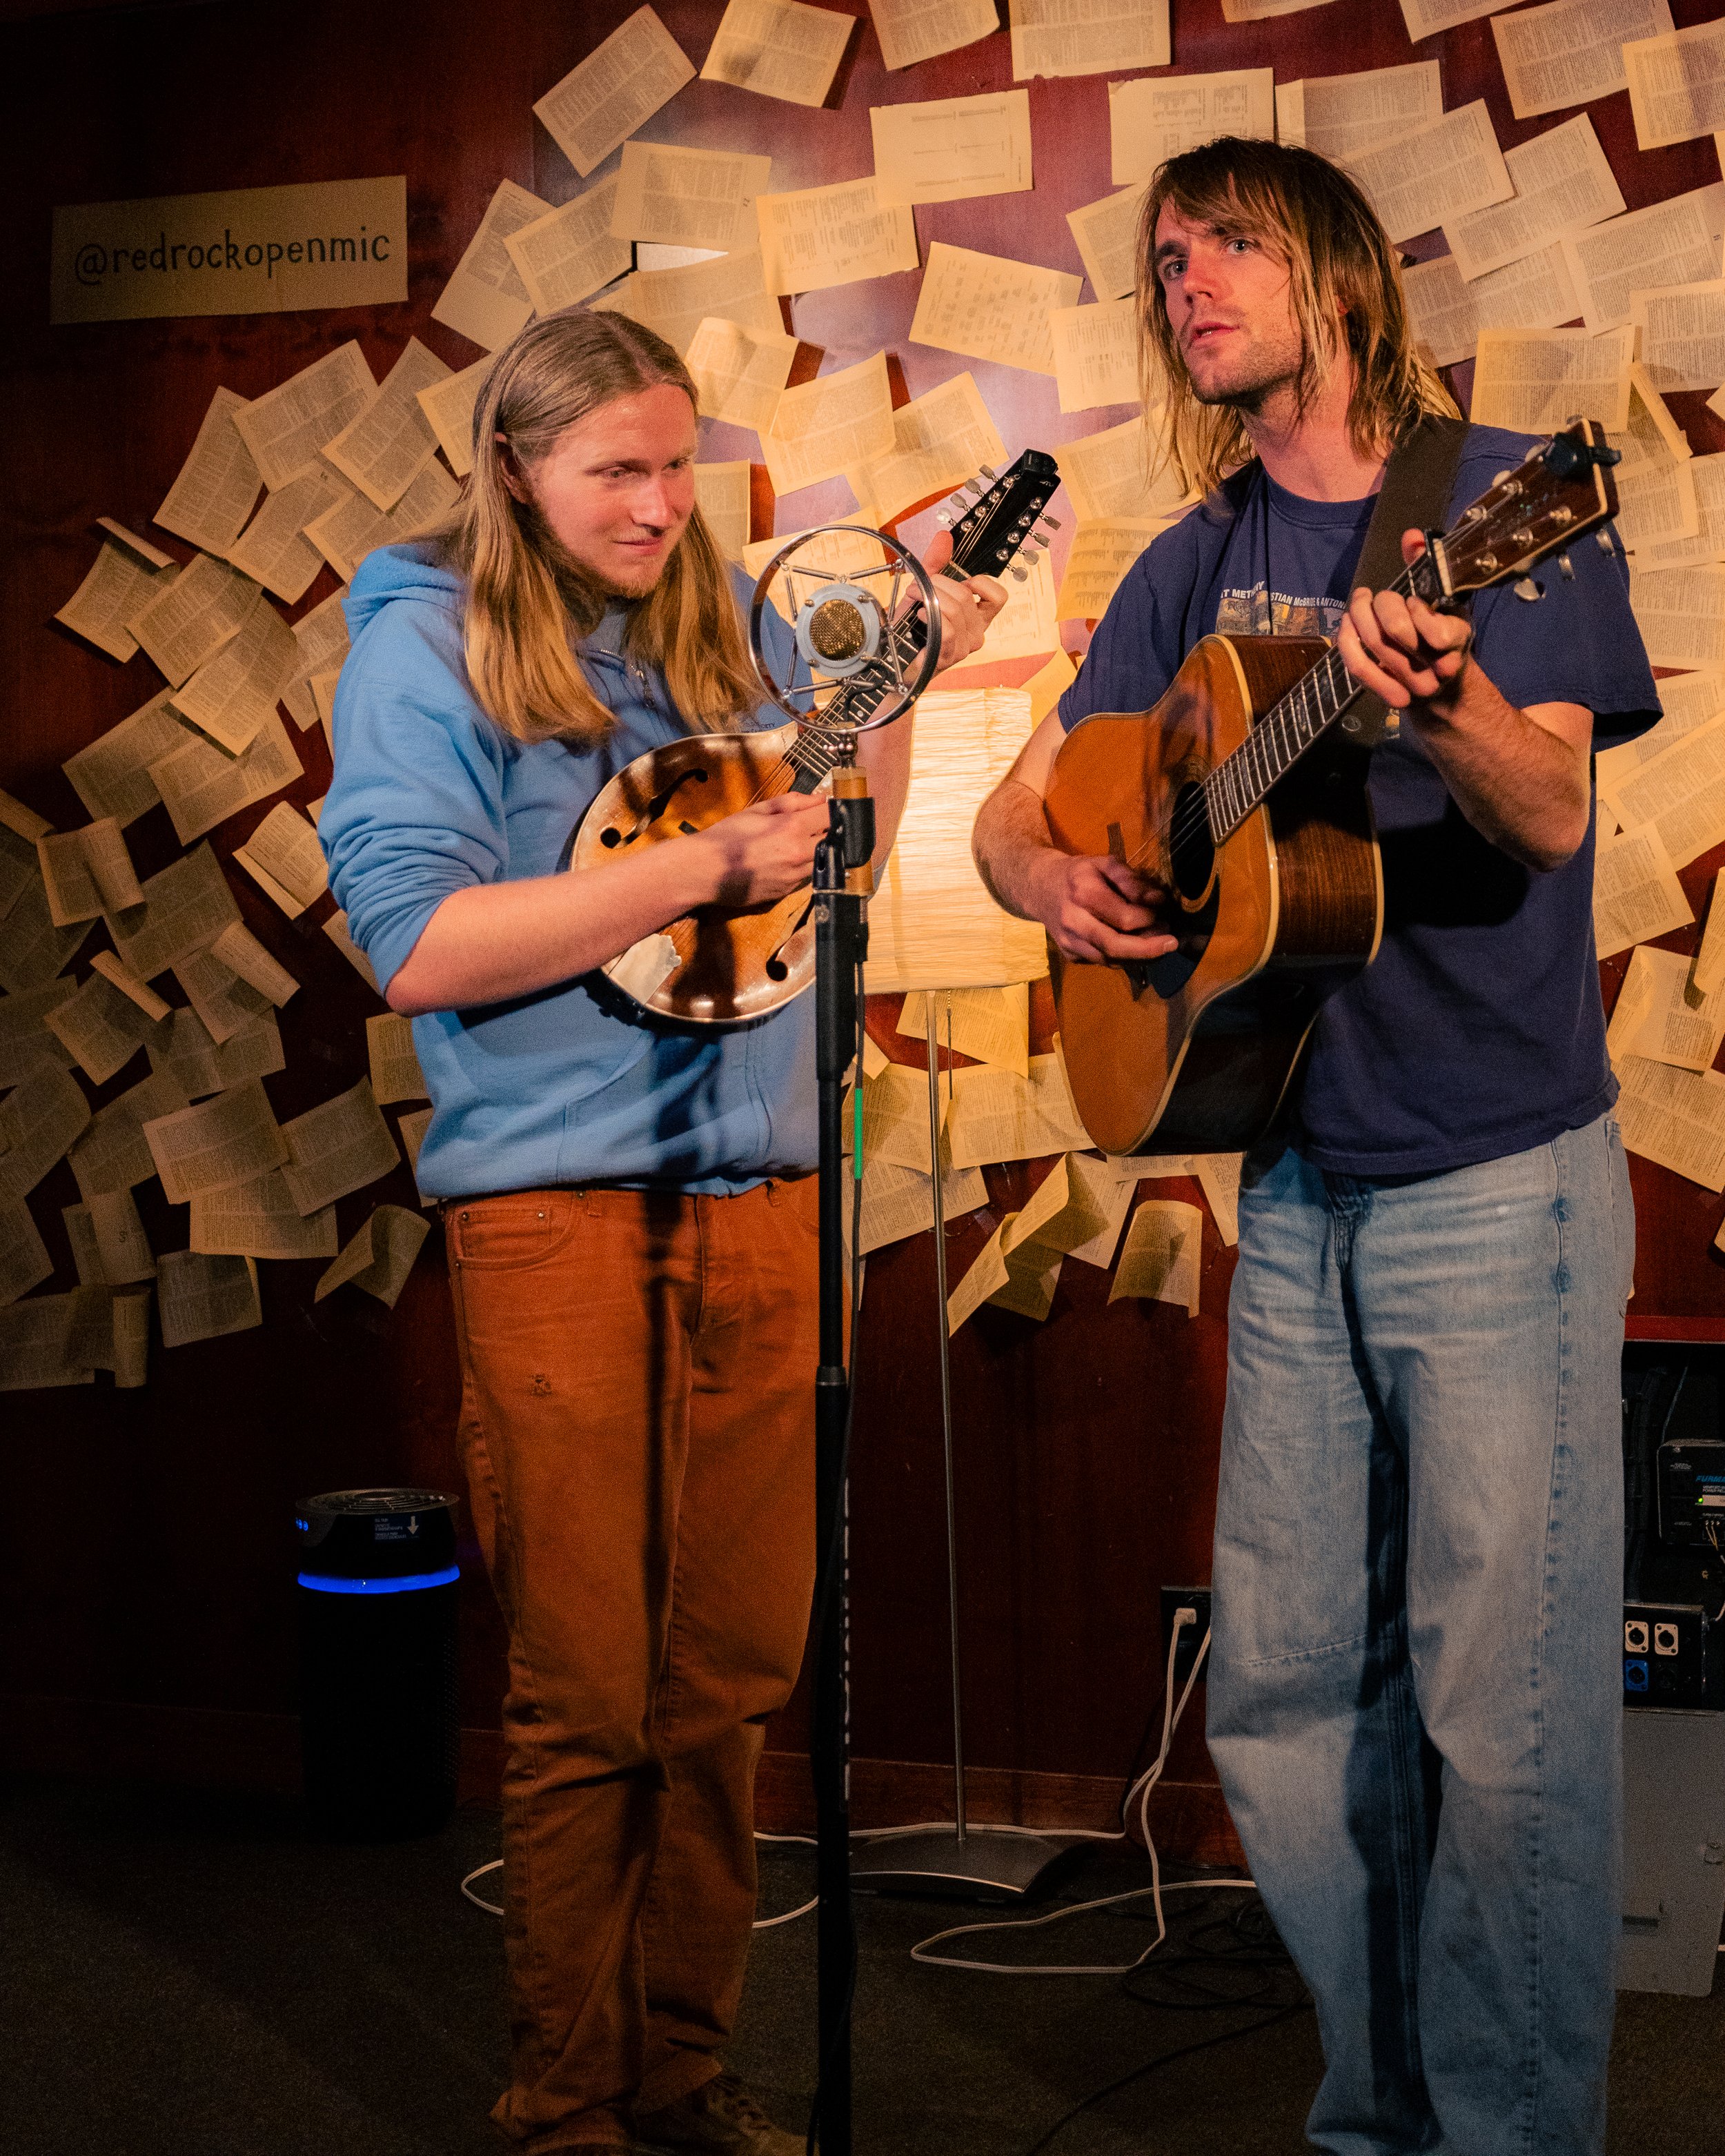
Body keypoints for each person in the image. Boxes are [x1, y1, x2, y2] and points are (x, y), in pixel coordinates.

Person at [972, 139, 1654, 2156]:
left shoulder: (1501, 498)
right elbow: (1033, 806)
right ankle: (1376, 2118)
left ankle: (1509, 2144)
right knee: (1281, 1714)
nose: (1185, 283)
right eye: (1164, 260)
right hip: (1289, 1178)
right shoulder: (1194, 559)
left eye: (1228, 248)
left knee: (1499, 1727)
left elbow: (1542, 818)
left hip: (1492, 1186)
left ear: (1337, 277)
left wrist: (1435, 705)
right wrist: (1060, 890)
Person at [317, 307, 1003, 2156]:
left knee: (723, 1690)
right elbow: (419, 948)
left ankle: (681, 2078)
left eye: (672, 465)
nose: (650, 502)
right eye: (610, 470)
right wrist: (698, 864)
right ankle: (565, 2112)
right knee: (589, 1695)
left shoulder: (724, 628)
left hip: (764, 1202)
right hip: (557, 1219)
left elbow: (832, 853)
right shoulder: (427, 648)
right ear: (517, 473)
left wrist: (906, 681)